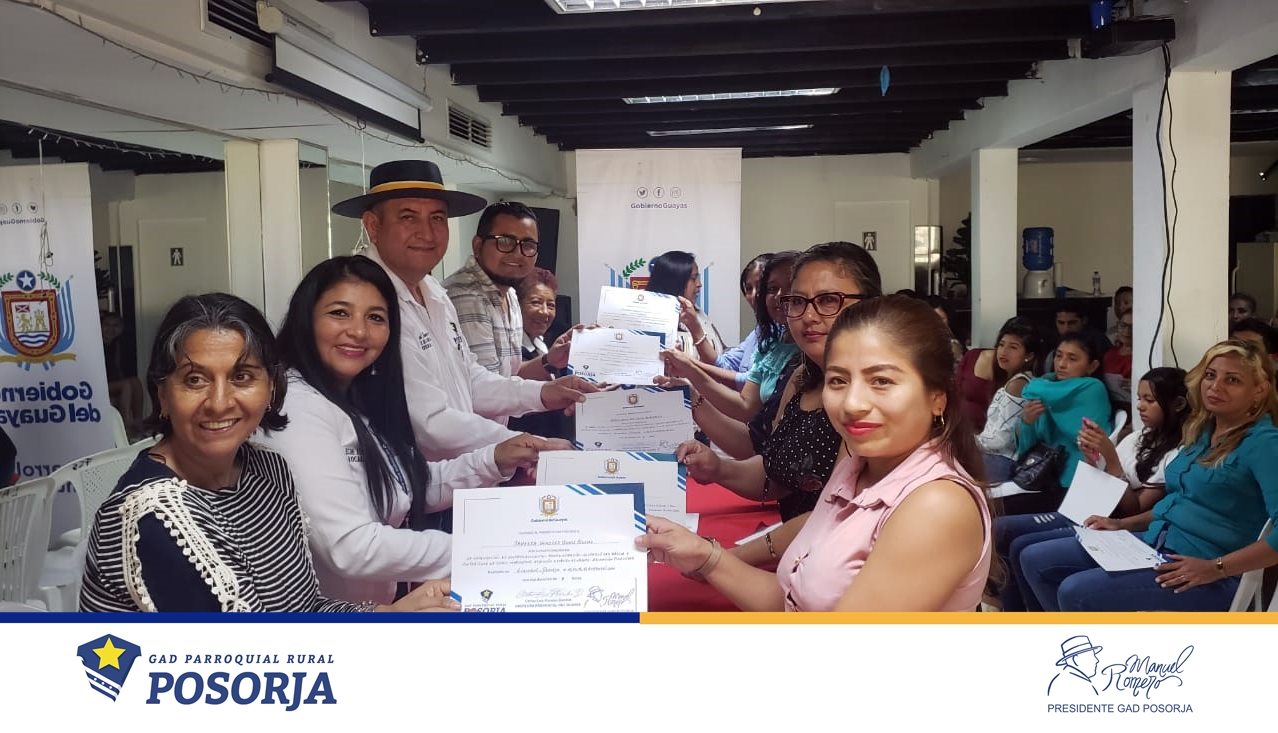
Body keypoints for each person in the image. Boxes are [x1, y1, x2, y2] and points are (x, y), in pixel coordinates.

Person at [79, 293, 454, 612]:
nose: (220, 402)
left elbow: (304, 609)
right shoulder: (155, 515)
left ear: (272, 387)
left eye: (242, 377)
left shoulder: (268, 468)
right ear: (163, 394)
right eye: (195, 380)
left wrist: (391, 612)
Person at [637, 295, 992, 611]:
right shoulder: (855, 466)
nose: (852, 403)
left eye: (881, 381)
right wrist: (705, 555)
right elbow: (791, 603)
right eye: (838, 380)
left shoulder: (935, 505)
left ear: (937, 398)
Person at [259, 256, 566, 604]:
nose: (358, 331)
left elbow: (409, 484)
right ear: (306, 319)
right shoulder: (297, 406)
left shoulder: (357, 396)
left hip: (379, 609)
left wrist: (495, 459)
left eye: (375, 317)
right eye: (339, 313)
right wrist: (486, 550)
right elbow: (352, 547)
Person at [331, 160, 593, 462]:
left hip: (460, 473)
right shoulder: (366, 301)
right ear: (373, 226)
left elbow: (470, 379)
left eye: (437, 218)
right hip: (410, 478)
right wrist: (528, 444)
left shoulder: (434, 292)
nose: (426, 233)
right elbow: (431, 424)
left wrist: (544, 393)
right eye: (408, 217)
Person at [1018, 340, 1278, 612]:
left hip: (1205, 570)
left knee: (1077, 592)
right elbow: (1176, 503)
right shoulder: (1203, 431)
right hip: (1155, 543)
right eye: (1210, 375)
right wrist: (1123, 524)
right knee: (1035, 558)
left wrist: (1216, 568)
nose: (1215, 386)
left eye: (1232, 380)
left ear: (1259, 390)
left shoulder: (1265, 444)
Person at [670, 242, 882, 522]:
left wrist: (723, 554)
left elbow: (838, 515)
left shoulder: (880, 396)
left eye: (828, 300)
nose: (808, 316)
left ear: (870, 304)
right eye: (797, 301)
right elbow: (776, 474)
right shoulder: (800, 376)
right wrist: (718, 468)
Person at [995, 367, 1188, 611]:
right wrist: (1092, 458)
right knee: (1001, 530)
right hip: (1090, 506)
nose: (1140, 406)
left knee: (1025, 550)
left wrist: (1111, 458)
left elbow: (1134, 508)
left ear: (1177, 405)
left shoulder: (1176, 452)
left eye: (1150, 400)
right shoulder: (1138, 437)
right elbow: (1103, 481)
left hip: (1114, 521)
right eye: (1139, 398)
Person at [445, 201, 579, 385]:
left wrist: (550, 360)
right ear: (478, 246)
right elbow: (486, 390)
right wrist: (552, 393)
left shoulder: (509, 293)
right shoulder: (468, 296)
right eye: (505, 241)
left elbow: (511, 375)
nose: (518, 253)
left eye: (528, 245)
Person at [1008, 332, 1113, 514]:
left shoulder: (1092, 387)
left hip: (1073, 484)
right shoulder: (1050, 387)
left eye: (1072, 359)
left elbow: (1030, 387)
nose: (1062, 364)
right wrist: (1028, 422)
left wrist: (1041, 382)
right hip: (1040, 477)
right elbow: (1026, 449)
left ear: (1092, 366)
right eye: (1058, 356)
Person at [508, 268, 576, 441]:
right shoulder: (508, 351)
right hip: (524, 446)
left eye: (551, 305)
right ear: (516, 305)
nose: (545, 312)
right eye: (536, 302)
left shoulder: (546, 345)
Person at [976, 318, 1042, 482]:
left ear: (1029, 356)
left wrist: (968, 440)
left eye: (1013, 347)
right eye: (1001, 344)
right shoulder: (1015, 380)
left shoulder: (1018, 384)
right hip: (993, 458)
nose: (1004, 351)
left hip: (1000, 461)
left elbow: (1001, 440)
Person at [646, 250, 723, 364]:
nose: (699, 284)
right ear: (675, 282)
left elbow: (721, 352)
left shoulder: (699, 313)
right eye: (693, 279)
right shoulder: (652, 321)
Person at [711, 254, 772, 385]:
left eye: (761, 286)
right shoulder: (758, 332)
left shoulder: (787, 335)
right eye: (749, 289)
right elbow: (724, 364)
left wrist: (691, 366)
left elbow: (751, 383)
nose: (754, 295)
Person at [101, 311, 144, 437]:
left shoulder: (117, 345)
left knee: (135, 381)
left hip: (112, 383)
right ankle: (126, 425)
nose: (111, 329)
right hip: (98, 384)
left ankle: (138, 422)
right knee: (126, 385)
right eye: (107, 325)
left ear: (121, 328)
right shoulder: (97, 344)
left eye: (115, 325)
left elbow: (118, 370)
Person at [1101, 307, 1133, 405]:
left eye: (1132, 327)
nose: (1127, 331)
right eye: (1123, 325)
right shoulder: (1110, 353)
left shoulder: (1145, 355)